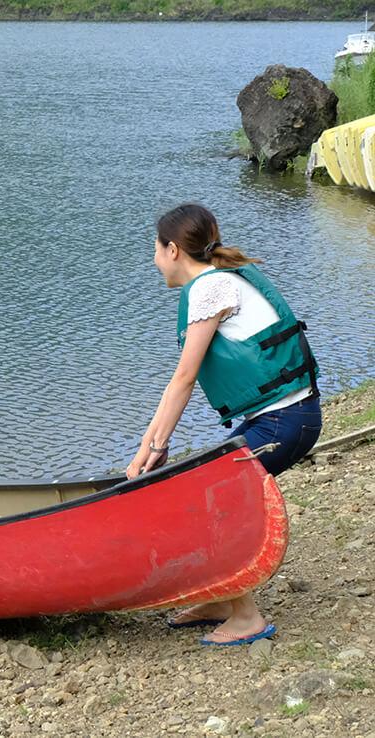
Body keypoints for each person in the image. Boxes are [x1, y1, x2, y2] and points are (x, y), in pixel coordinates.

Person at [126, 203, 321, 647]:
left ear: (173, 250)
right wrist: (149, 448)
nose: (154, 260)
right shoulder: (218, 281)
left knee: (205, 498)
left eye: (155, 249)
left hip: (284, 422)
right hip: (286, 418)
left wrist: (152, 449)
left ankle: (246, 616)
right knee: (206, 491)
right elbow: (180, 382)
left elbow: (184, 379)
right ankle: (221, 601)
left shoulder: (209, 289)